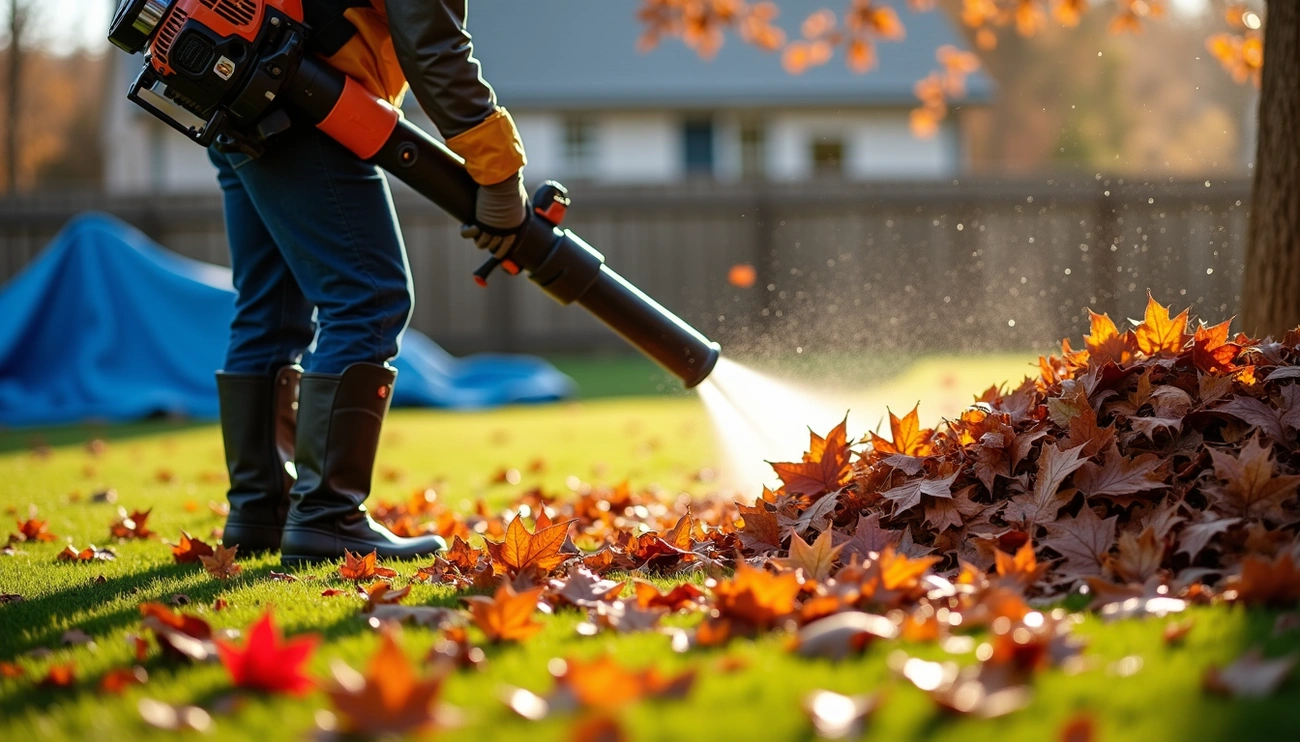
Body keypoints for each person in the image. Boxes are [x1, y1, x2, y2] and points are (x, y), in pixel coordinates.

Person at [210, 0, 526, 567]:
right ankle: (327, 517)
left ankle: (261, 510)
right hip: (298, 90)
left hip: (227, 82)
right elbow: (431, 46)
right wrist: (499, 172)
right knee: (370, 298)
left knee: (271, 309)